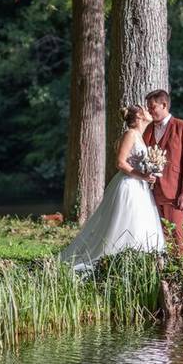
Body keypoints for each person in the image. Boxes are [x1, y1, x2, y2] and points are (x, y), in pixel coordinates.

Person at [59, 105, 166, 271]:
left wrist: (149, 171)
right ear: (138, 116)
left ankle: (138, 259)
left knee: (139, 220)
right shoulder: (130, 134)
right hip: (128, 185)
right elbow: (120, 162)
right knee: (126, 219)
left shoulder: (139, 136)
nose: (148, 111)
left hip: (139, 186)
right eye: (144, 109)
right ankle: (113, 257)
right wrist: (142, 175)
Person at [143, 89, 183, 256]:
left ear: (164, 105)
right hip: (150, 191)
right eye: (148, 108)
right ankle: (163, 270)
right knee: (158, 233)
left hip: (174, 191)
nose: (150, 111)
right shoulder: (148, 129)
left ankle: (179, 271)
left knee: (176, 233)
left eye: (152, 107)